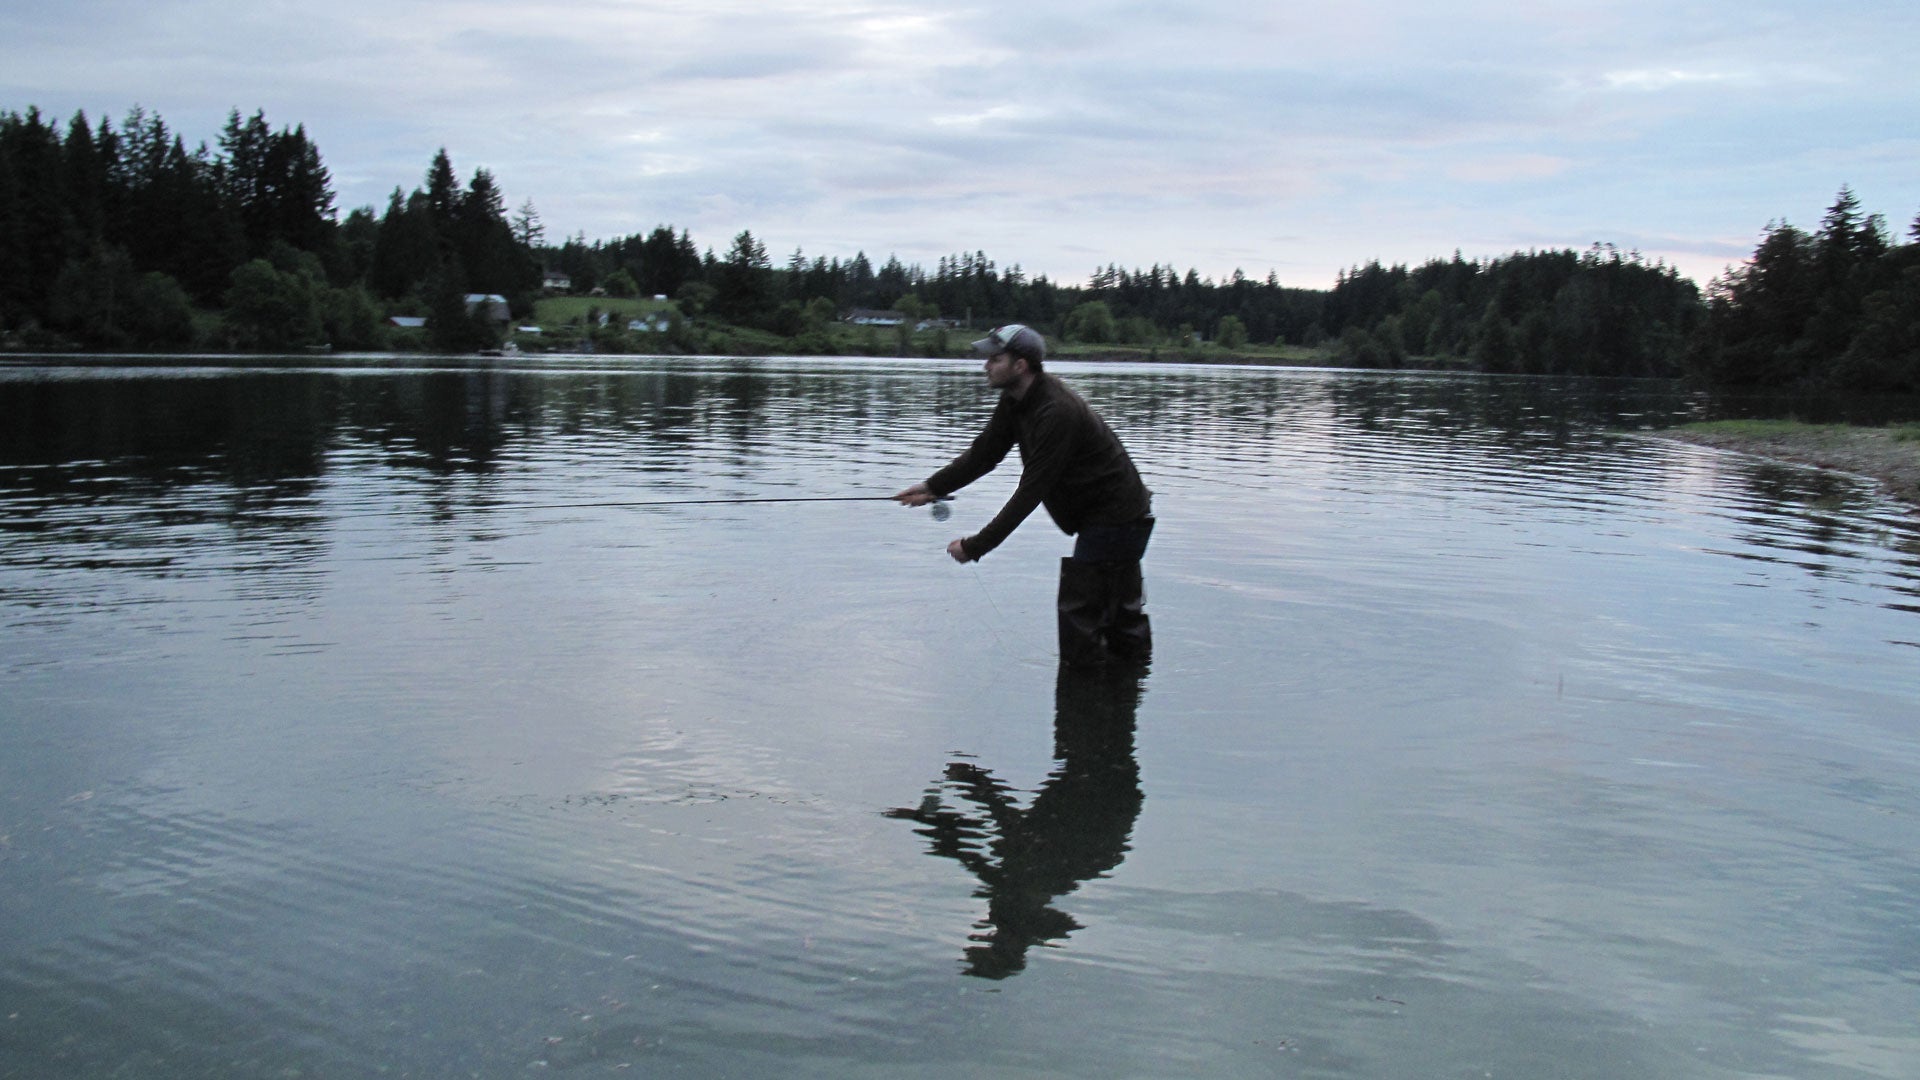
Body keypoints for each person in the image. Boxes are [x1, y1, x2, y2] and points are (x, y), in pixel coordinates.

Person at [893, 324, 1154, 668]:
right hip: (1111, 517)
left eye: (995, 358)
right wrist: (933, 487)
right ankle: (1120, 694)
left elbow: (1030, 492)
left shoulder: (1056, 411)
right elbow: (984, 454)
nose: (985, 365)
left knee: (1084, 618)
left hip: (1116, 516)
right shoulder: (1015, 401)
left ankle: (1093, 697)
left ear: (1021, 365)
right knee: (1119, 615)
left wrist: (976, 546)